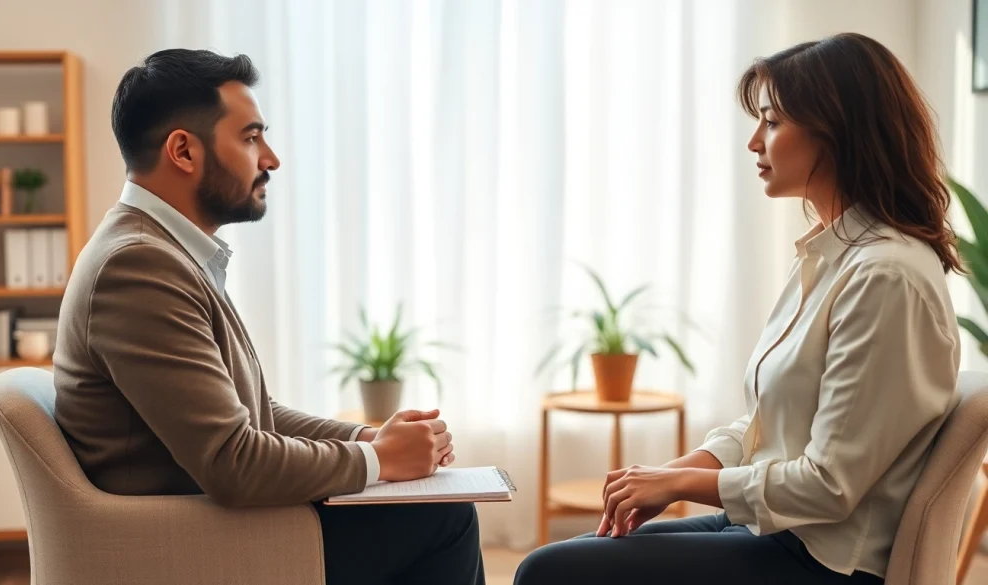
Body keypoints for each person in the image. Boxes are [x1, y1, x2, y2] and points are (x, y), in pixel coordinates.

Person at [515, 32, 962, 585]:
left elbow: (829, 486)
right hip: (774, 532)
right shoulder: (831, 256)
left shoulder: (884, 276)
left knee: (549, 572)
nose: (755, 142)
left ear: (837, 132)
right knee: (573, 554)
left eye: (772, 122)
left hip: (820, 560)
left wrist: (679, 486)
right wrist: (663, 475)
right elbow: (764, 428)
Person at [53, 49, 485, 585]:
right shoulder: (139, 267)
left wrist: (371, 442)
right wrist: (380, 463)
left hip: (211, 521)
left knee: (431, 511)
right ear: (183, 150)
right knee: (442, 517)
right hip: (193, 543)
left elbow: (256, 414)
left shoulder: (169, 252)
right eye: (251, 138)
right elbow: (234, 462)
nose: (272, 159)